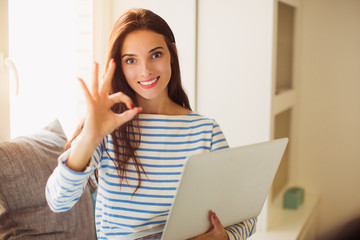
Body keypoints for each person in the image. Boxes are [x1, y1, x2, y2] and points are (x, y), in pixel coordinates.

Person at [46, 8, 256, 240]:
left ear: (172, 54)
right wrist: (90, 136)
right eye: (131, 60)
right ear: (119, 67)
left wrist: (224, 238)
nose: (145, 71)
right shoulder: (108, 126)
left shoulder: (206, 130)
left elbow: (245, 217)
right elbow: (58, 200)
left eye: (155, 55)